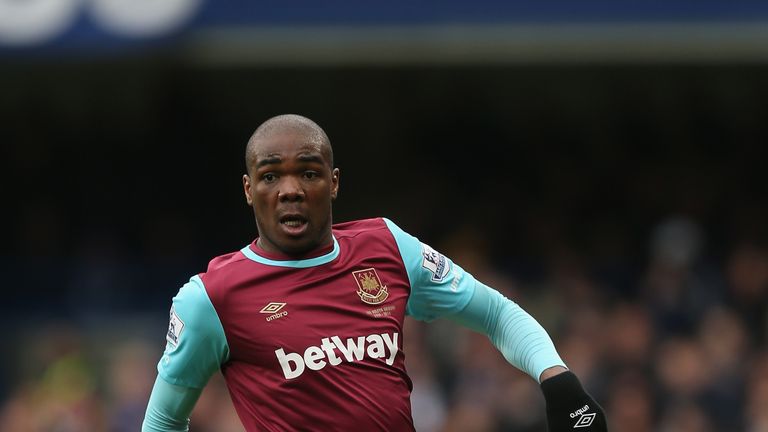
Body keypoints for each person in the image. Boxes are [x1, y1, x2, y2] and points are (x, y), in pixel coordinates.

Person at [142, 114, 608, 431]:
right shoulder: (212, 296)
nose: (290, 190)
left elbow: (495, 313)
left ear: (335, 181)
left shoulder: (387, 246)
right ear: (248, 189)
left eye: (308, 172)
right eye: (270, 177)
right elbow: (163, 421)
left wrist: (556, 377)